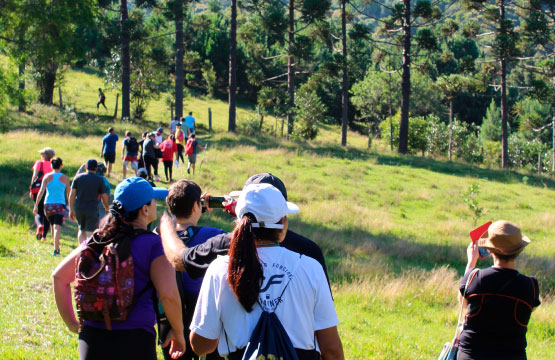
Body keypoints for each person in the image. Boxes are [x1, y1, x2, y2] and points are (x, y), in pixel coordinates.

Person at [188, 183, 344, 359]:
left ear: (239, 223)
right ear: (282, 223)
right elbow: (331, 349)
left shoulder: (219, 269)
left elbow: (200, 345)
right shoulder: (311, 268)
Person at [51, 177, 186, 360]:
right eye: (153, 200)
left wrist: (72, 324)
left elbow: (58, 277)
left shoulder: (96, 241)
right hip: (135, 340)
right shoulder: (154, 245)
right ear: (145, 209)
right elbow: (168, 295)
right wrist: (178, 332)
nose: (156, 204)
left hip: (91, 340)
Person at [160, 172, 331, 290]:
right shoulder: (310, 252)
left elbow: (179, 259)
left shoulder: (224, 245)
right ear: (283, 214)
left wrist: (167, 228)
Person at [158, 180, 225, 360]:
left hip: (169, 316)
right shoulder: (212, 235)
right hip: (204, 314)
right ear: (197, 205)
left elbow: (180, 225)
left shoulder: (161, 235)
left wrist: (194, 207)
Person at [457, 220, 541, 360]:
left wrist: (471, 262)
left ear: (489, 251)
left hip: (472, 355)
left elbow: (464, 304)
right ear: (518, 251)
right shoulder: (530, 286)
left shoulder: (474, 278)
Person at [33, 157, 70, 256]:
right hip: (60, 204)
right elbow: (68, 194)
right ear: (61, 166)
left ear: (51, 165)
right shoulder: (65, 178)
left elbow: (41, 192)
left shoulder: (47, 177)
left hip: (48, 205)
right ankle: (56, 249)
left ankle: (55, 245)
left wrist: (36, 205)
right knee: (57, 227)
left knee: (52, 224)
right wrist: (71, 206)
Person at [69, 159, 110, 244]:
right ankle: (87, 251)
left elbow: (72, 195)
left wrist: (71, 209)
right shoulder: (99, 180)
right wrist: (107, 208)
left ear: (86, 167)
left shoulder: (78, 177)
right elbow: (104, 197)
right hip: (92, 209)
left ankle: (80, 249)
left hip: (79, 208)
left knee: (81, 229)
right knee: (90, 232)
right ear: (96, 168)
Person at [30, 147, 55, 241]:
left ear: (44, 155)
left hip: (38, 188)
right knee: (47, 213)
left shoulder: (39, 163)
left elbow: (34, 176)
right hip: (49, 189)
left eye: (42, 154)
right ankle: (44, 236)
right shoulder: (53, 164)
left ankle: (40, 225)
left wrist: (31, 189)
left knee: (38, 211)